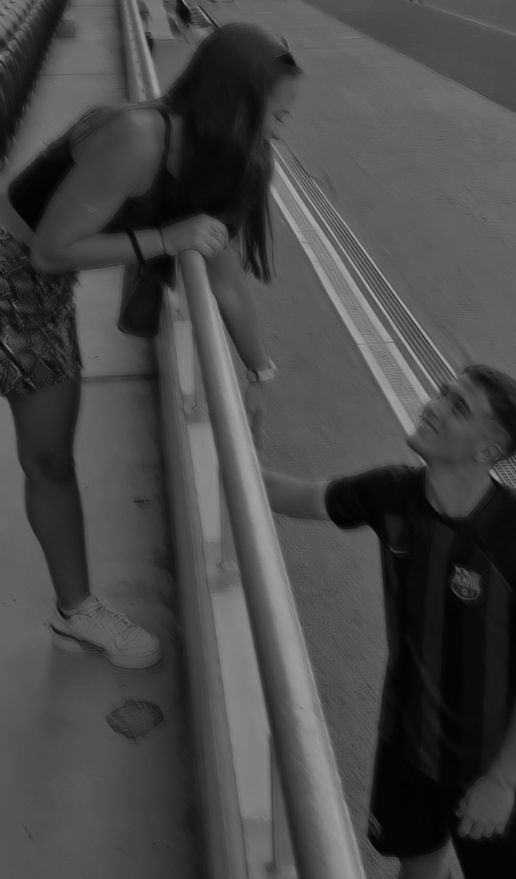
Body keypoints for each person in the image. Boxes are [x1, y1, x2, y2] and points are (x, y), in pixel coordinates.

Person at [0, 24, 301, 669]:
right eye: (274, 114)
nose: (279, 131)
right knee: (49, 458)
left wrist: (261, 375)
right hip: (15, 267)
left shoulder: (226, 163)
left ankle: (76, 613)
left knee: (50, 459)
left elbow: (226, 281)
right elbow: (49, 248)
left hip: (39, 298)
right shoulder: (138, 135)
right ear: (236, 102)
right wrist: (166, 240)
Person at [262, 366, 516, 879]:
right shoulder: (392, 494)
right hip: (406, 740)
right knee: (417, 866)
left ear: (487, 450)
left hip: (486, 765)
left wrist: (503, 780)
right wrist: (231, 446)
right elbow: (299, 497)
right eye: (441, 394)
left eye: (456, 407)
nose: (432, 406)